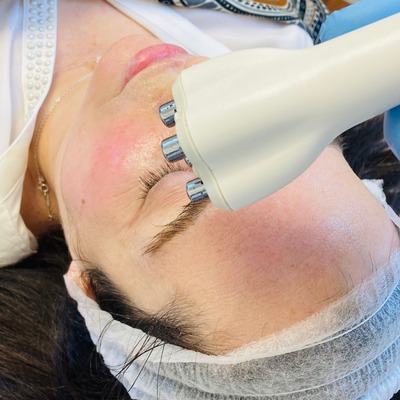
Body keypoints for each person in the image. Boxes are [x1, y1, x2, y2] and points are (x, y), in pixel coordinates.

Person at [1, 0, 400, 398]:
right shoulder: (277, 32)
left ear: (90, 286)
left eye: (173, 178)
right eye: (275, 131)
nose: (196, 85)